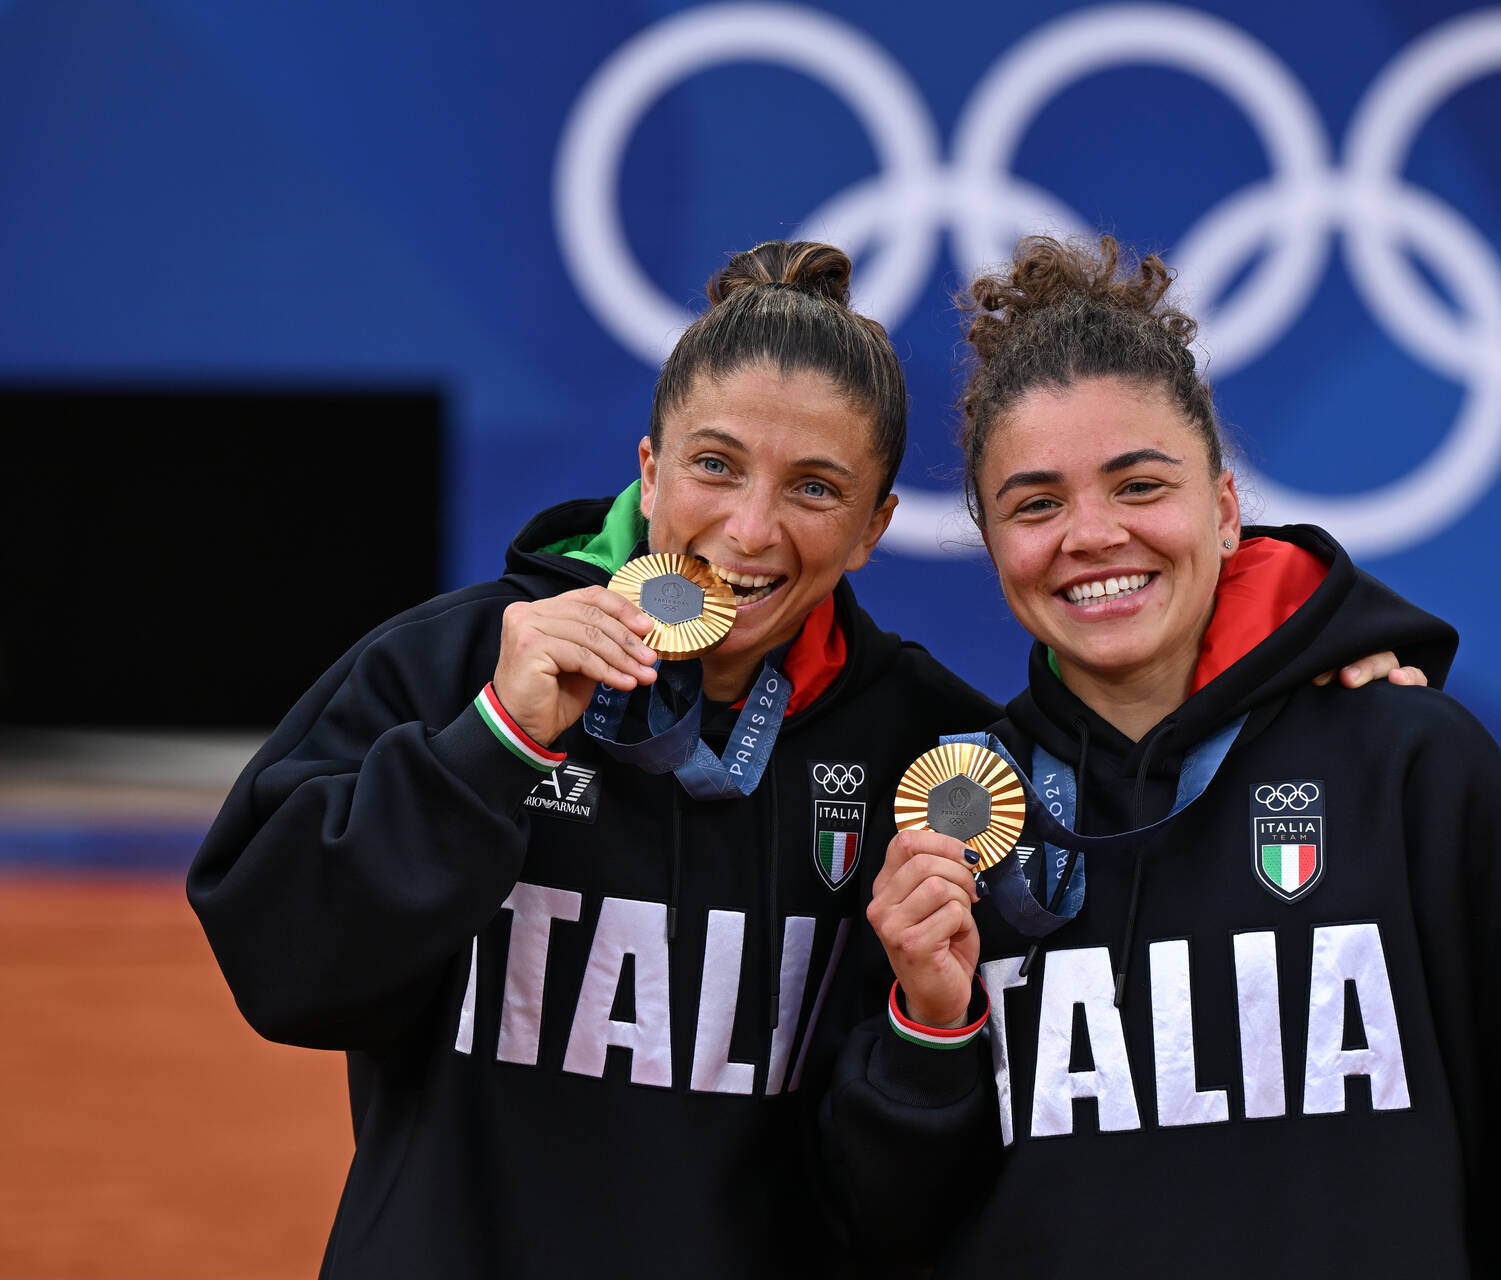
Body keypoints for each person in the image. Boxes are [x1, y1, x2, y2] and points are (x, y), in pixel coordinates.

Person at [187, 236, 1432, 1277]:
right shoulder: (467, 660)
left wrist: (1308, 659)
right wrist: (491, 744)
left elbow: (949, 1156)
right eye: (714, 466)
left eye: (816, 487)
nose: (747, 528)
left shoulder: (932, 755)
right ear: (649, 466)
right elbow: (289, 970)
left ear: (880, 523)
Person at [840, 236, 1501, 1278]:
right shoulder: (959, 816)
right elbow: (880, 1224)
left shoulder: (1407, 763)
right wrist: (927, 1020)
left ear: (1224, 508)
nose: (1091, 534)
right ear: (989, 535)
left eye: (1139, 485)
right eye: (1036, 502)